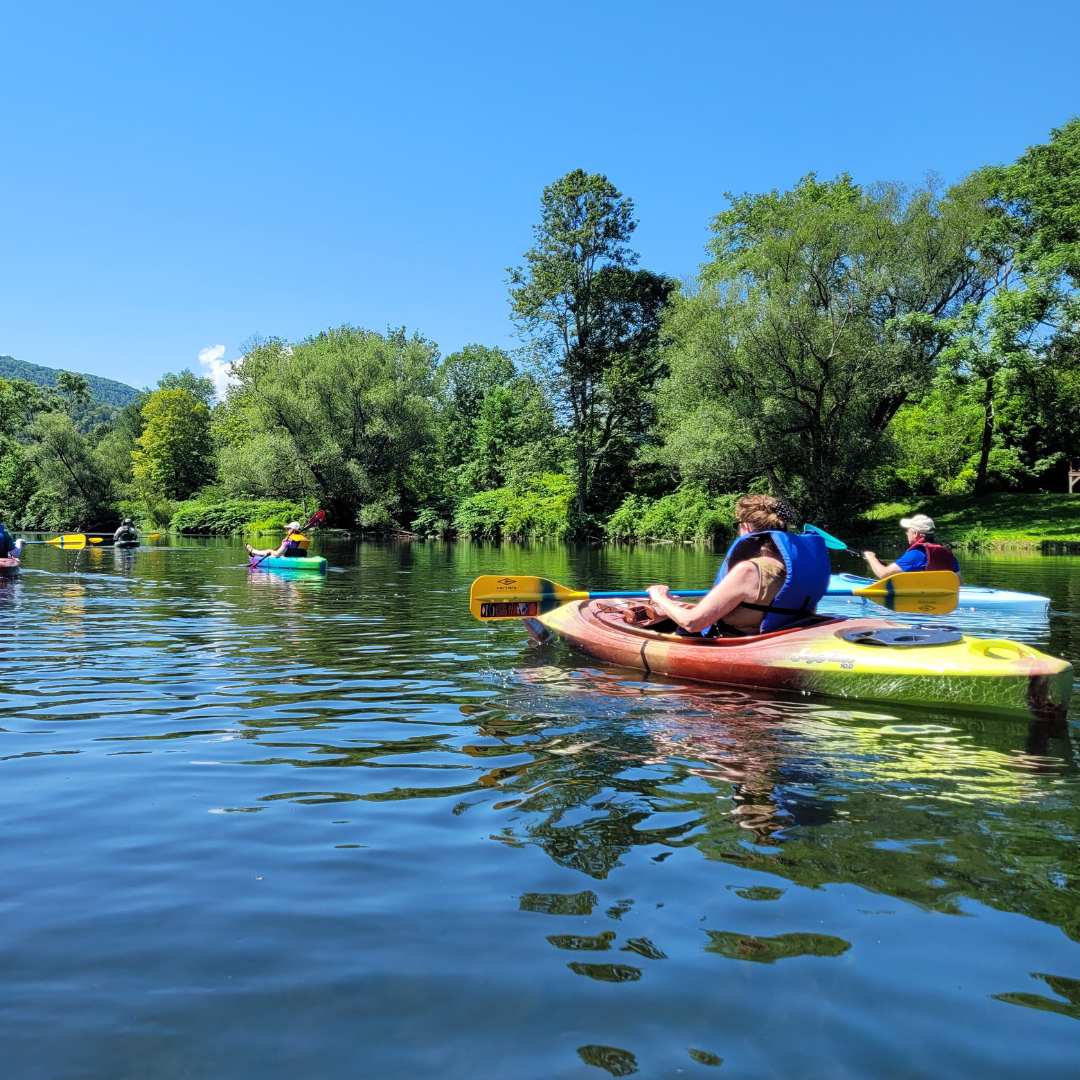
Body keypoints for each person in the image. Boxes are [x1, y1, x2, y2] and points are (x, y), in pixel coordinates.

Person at [645, 494, 831, 636]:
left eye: (738, 525)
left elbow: (692, 623)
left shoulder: (749, 571)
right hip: (782, 638)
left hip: (741, 645)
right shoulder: (802, 568)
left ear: (747, 527)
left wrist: (660, 597)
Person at [862, 514, 959, 579]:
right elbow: (959, 583)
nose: (906, 533)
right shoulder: (949, 556)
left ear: (915, 534)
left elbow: (883, 573)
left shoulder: (915, 555)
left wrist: (870, 557)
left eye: (908, 530)